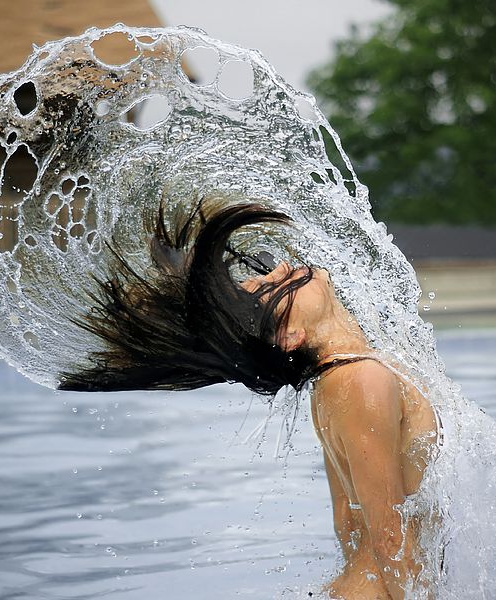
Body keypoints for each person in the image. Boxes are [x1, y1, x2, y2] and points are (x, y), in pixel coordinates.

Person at [59, 197, 441, 599]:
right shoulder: (361, 380)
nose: (279, 269)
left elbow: (348, 522)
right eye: (271, 287)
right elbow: (389, 540)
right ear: (290, 336)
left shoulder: (338, 381)